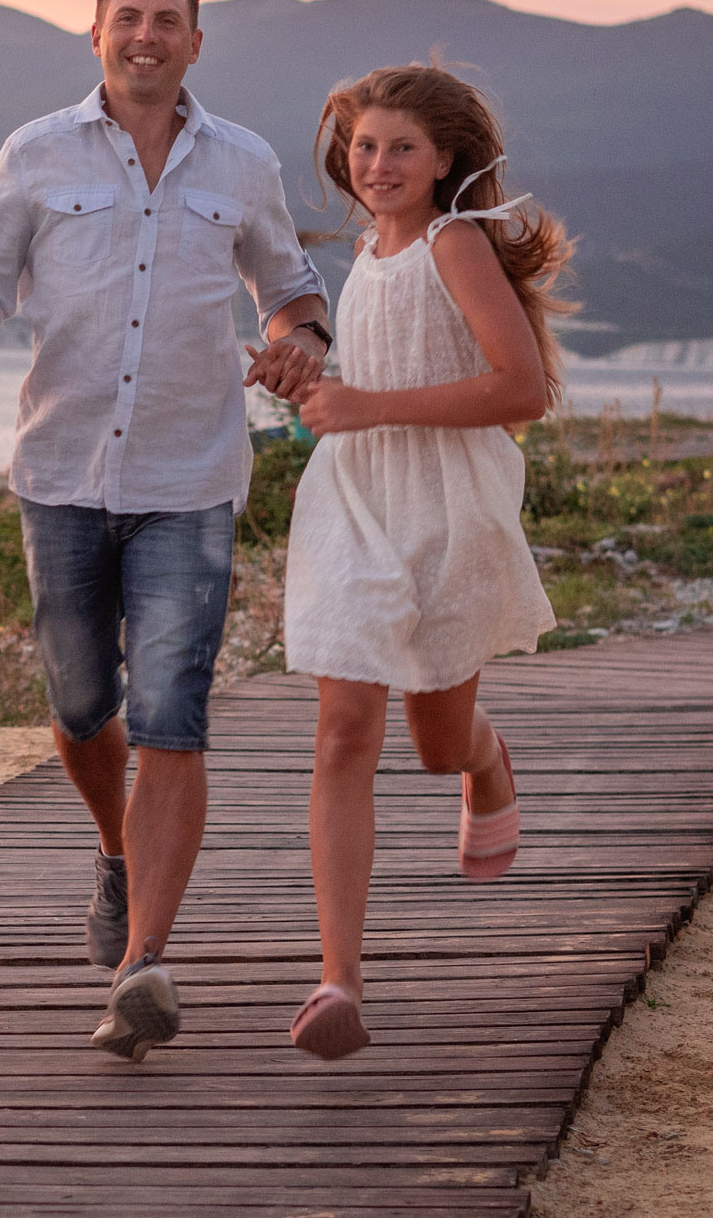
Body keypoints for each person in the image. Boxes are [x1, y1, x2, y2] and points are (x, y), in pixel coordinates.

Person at [0, 0, 330, 1061]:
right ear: (93, 35)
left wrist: (297, 347)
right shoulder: (35, 151)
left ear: (196, 43)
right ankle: (116, 850)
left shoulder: (241, 162)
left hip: (190, 481)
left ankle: (142, 960)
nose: (145, 36)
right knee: (77, 708)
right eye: (127, 20)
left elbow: (290, 289)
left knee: (171, 716)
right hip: (58, 471)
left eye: (167, 22)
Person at [274, 62, 572, 1060]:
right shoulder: (363, 250)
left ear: (445, 159)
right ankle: (336, 982)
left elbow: (518, 388)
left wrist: (365, 405)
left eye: (401, 146)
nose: (378, 163)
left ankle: (484, 762)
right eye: (363, 146)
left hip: (446, 507)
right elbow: (368, 375)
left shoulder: (454, 245)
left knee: (435, 741)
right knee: (341, 729)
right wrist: (312, 382)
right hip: (353, 501)